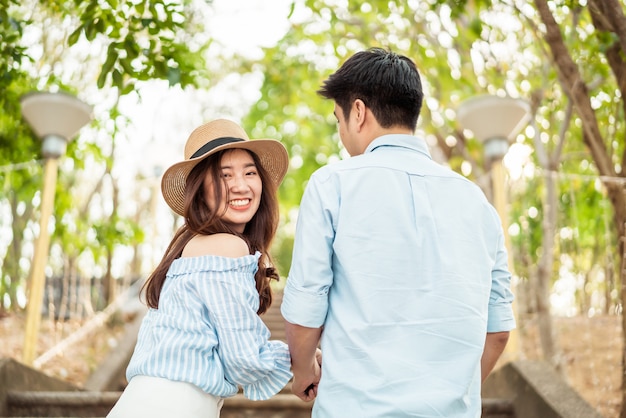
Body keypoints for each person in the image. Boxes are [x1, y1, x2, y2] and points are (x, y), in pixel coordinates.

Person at [280, 47, 516, 417]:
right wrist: (455, 396)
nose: (342, 132)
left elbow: (306, 308)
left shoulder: (332, 185)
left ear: (358, 112)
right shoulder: (477, 202)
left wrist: (302, 371)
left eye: (338, 120)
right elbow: (498, 332)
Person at [107, 119, 292, 418]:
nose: (241, 185)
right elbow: (244, 358)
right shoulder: (225, 247)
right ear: (200, 189)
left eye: (250, 172)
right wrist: (301, 356)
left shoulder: (194, 247)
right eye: (224, 175)